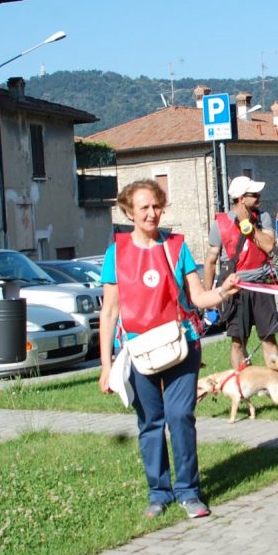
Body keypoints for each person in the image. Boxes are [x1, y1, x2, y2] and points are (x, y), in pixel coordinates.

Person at [99, 180, 239, 520]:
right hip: (138, 351)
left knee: (180, 416)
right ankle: (158, 494)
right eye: (143, 207)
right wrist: (106, 365)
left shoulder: (176, 247)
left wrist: (222, 291)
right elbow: (110, 311)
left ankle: (190, 492)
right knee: (150, 423)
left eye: (156, 206)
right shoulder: (116, 252)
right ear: (129, 212)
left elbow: (197, 297)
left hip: (180, 345)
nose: (151, 213)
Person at [205, 175, 278, 370]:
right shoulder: (219, 224)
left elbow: (269, 246)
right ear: (240, 198)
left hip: (262, 284)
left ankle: (275, 383)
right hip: (235, 289)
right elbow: (211, 261)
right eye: (253, 194)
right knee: (238, 342)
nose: (258, 197)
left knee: (268, 338)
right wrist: (210, 297)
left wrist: (249, 226)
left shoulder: (262, 217)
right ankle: (243, 387)